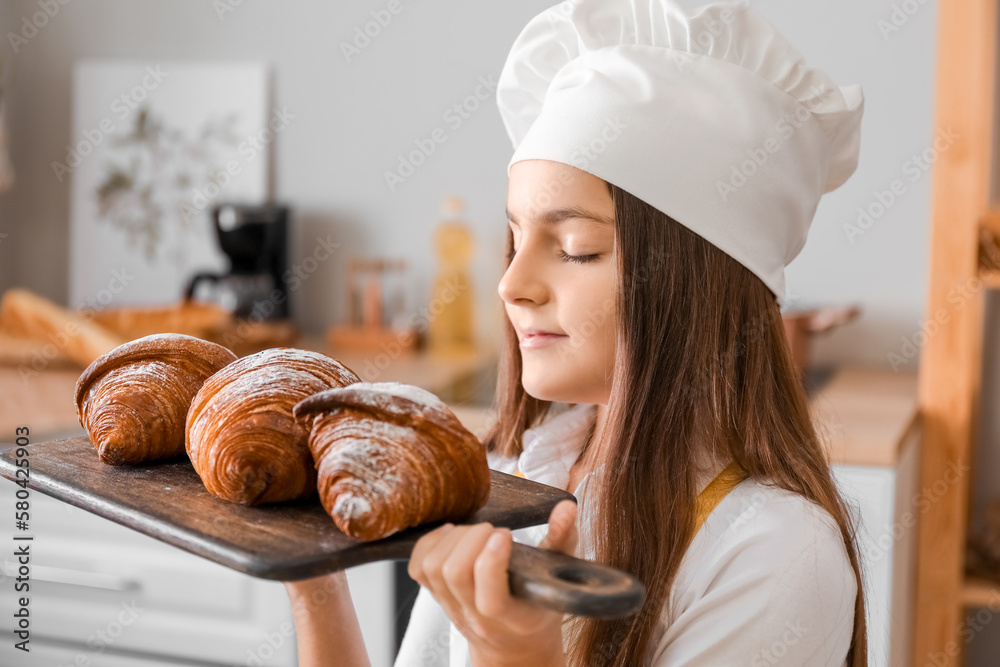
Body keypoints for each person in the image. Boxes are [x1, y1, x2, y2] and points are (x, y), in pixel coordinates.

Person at [283, 0, 868, 665]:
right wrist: (312, 578)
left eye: (577, 248)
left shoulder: (776, 558)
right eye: (514, 238)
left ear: (697, 282)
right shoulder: (516, 472)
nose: (511, 285)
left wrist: (518, 652)